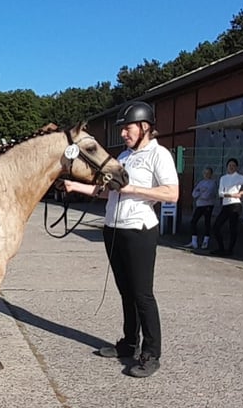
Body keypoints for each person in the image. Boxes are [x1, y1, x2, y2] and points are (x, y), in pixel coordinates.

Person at [60, 101, 179, 378]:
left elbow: (172, 194)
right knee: (125, 291)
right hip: (113, 228)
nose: (124, 134)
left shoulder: (158, 154)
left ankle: (151, 352)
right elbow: (107, 191)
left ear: (144, 127)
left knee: (142, 294)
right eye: (123, 129)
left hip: (139, 228)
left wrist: (130, 188)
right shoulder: (123, 157)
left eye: (128, 128)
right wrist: (75, 185)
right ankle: (128, 342)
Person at [210, 158, 243, 256]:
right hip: (226, 205)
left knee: (233, 228)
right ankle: (221, 248)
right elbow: (220, 193)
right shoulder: (223, 178)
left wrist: (242, 193)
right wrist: (232, 195)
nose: (231, 167)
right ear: (227, 167)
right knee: (216, 227)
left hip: (235, 205)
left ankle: (230, 250)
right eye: (230, 165)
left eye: (233, 166)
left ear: (236, 167)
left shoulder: (239, 177)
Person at [185, 167, 217, 249]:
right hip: (199, 205)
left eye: (208, 173)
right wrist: (201, 192)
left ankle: (205, 241)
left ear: (211, 174)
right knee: (193, 221)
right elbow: (194, 193)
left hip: (208, 205)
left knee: (207, 222)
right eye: (205, 173)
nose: (206, 175)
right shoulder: (201, 182)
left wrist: (200, 192)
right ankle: (194, 241)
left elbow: (207, 195)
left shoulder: (212, 183)